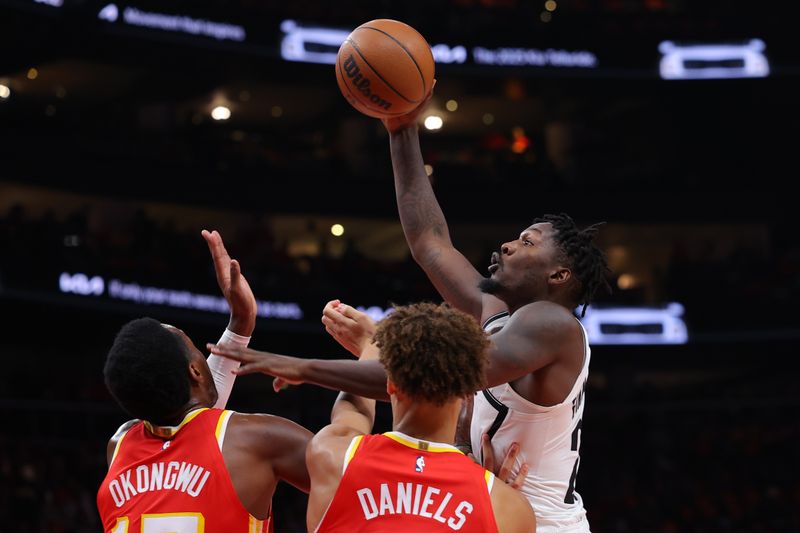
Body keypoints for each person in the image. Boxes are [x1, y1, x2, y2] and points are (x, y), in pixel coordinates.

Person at [96, 230, 312, 532]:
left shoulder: (119, 445)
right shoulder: (258, 439)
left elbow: (197, 428)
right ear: (195, 371)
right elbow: (359, 470)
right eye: (194, 346)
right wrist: (358, 354)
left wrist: (242, 321)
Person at [302, 302, 535, 532]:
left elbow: (350, 414)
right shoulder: (507, 508)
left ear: (390, 385)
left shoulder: (332, 454)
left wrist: (370, 347)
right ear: (467, 392)